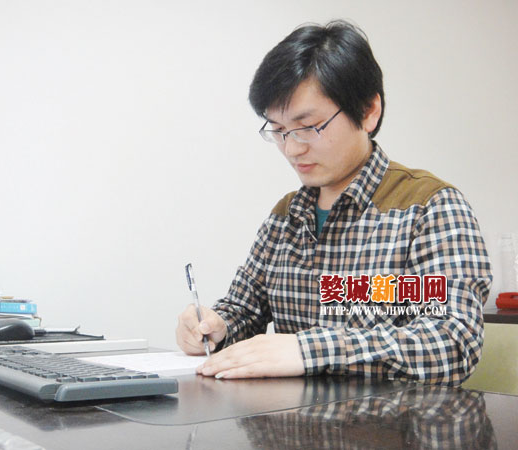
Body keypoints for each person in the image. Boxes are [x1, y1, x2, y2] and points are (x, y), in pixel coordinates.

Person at [175, 20, 492, 385]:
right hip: (291, 417)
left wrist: (311, 350)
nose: (292, 149)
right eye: (278, 130)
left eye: (308, 127)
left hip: (392, 420)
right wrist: (215, 326)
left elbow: (452, 342)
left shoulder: (428, 209)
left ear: (368, 111)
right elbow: (244, 309)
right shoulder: (286, 217)